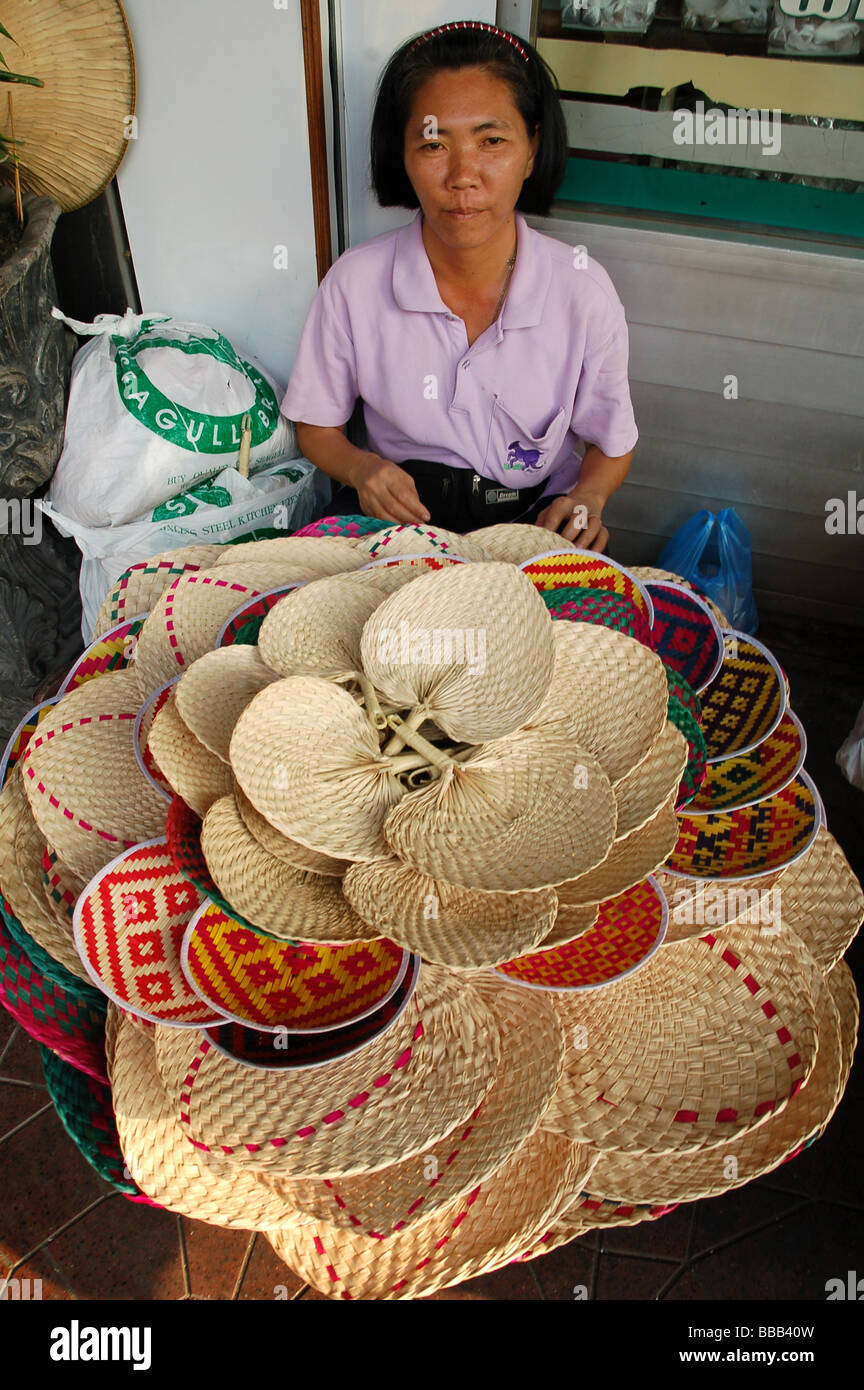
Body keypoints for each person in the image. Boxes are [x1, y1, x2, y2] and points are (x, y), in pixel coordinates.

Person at [281, 20, 637, 549]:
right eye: (433, 145)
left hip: (532, 523)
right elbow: (316, 425)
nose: (463, 176)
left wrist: (588, 499)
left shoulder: (582, 290)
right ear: (403, 155)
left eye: (492, 141)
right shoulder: (355, 283)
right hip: (400, 524)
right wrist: (361, 471)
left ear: (532, 149)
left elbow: (611, 443)